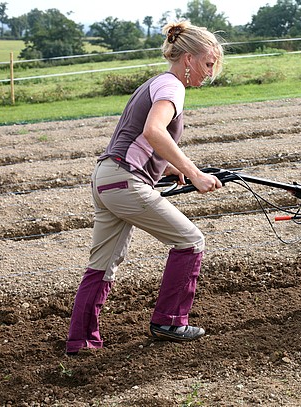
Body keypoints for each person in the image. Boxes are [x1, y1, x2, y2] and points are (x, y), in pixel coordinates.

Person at [65, 21, 224, 355]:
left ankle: (81, 340)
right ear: (189, 59)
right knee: (191, 241)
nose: (210, 72)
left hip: (106, 177)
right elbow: (154, 131)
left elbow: (137, 140)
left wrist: (166, 168)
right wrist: (193, 172)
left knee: (101, 266)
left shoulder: (153, 83)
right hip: (125, 182)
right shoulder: (173, 87)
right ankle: (170, 321)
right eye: (208, 63)